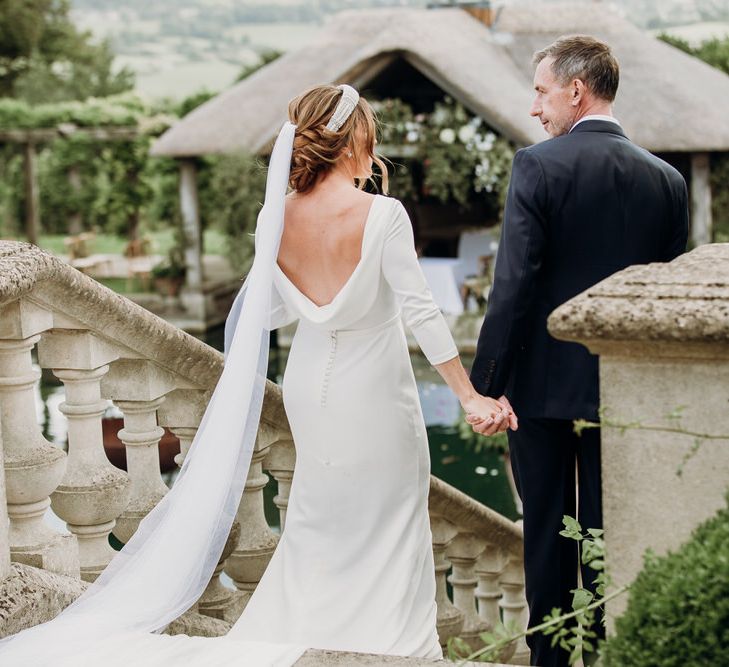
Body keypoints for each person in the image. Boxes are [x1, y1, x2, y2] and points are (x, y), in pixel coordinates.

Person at [0, 84, 509, 666]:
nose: (375, 149)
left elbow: (269, 310)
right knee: (390, 514)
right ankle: (394, 644)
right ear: (352, 142)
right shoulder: (384, 215)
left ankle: (321, 633)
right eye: (370, 135)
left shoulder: (277, 215)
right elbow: (421, 310)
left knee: (320, 516)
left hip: (310, 384)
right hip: (375, 391)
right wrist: (468, 396)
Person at [468, 36, 688, 667]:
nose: (535, 107)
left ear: (575, 90)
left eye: (540, 91)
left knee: (546, 530)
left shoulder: (538, 166)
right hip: (623, 390)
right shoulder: (667, 181)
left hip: (539, 389)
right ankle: (614, 650)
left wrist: (487, 384)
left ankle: (554, 661)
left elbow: (511, 286)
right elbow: (664, 301)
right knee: (610, 529)